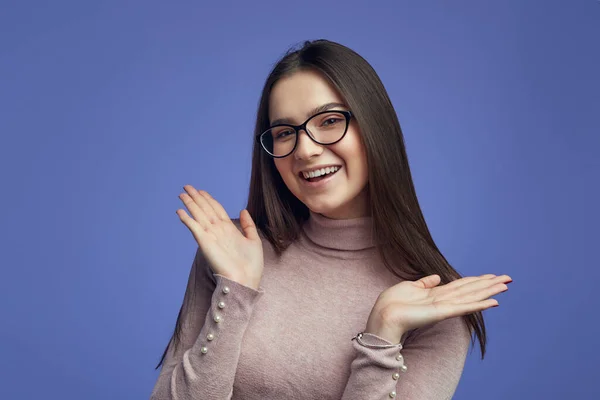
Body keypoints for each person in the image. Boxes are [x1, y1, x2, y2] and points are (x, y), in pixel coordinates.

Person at [150, 39, 512, 400]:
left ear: (374, 129)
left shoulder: (436, 306)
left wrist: (383, 336)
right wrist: (237, 289)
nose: (305, 150)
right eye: (284, 133)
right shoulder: (231, 251)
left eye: (330, 120)